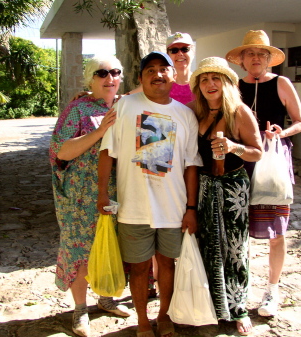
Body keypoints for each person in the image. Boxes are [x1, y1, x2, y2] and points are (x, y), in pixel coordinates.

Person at [97, 51, 202, 337]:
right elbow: (107, 151)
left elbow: (191, 164)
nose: (157, 74)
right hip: (134, 206)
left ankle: (164, 315)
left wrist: (191, 208)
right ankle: (143, 321)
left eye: (163, 69)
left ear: (173, 75)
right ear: (141, 78)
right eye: (150, 70)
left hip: (173, 206)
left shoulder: (185, 115)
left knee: (167, 264)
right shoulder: (125, 106)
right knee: (140, 268)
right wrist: (102, 193)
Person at [226, 30, 301, 317]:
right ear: (243, 60)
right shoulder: (233, 86)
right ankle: (240, 288)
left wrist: (282, 132)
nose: (256, 58)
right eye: (250, 53)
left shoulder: (282, 83)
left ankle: (273, 290)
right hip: (241, 161)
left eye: (262, 54)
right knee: (239, 229)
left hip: (273, 160)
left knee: (277, 230)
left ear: (269, 59)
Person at [49, 56, 131, 337]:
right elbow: (61, 151)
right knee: (81, 250)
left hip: (118, 190)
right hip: (81, 194)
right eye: (102, 73)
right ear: (91, 79)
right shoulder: (78, 108)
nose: (110, 78)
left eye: (115, 72)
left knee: (112, 245)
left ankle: (106, 298)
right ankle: (80, 310)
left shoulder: (126, 104)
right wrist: (100, 130)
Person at [187, 57, 263, 335]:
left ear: (227, 83)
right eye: (204, 79)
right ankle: (213, 305)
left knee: (234, 247)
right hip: (205, 186)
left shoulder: (239, 112)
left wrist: (234, 147)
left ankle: (239, 307)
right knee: (207, 245)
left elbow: (257, 151)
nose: (209, 84)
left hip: (233, 188)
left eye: (215, 78)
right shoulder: (195, 111)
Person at [129, 32, 195, 105]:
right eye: (174, 50)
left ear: (193, 52)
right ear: (168, 55)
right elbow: (128, 96)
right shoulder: (161, 82)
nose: (180, 54)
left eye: (185, 49)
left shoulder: (201, 82)